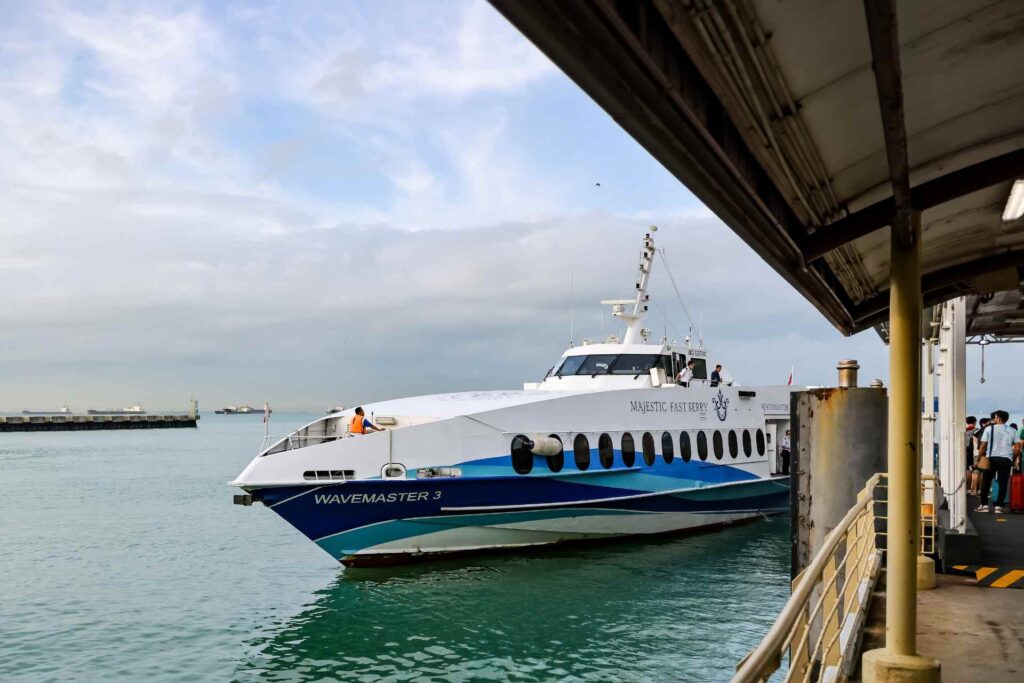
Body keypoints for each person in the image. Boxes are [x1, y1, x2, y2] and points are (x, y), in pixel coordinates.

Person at [976, 410, 1015, 512]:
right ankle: (998, 506)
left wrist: (980, 457)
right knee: (1003, 483)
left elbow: (983, 445)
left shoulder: (989, 429)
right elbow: (1018, 447)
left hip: (991, 458)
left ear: (997, 418)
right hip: (1006, 459)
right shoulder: (1012, 430)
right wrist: (1013, 458)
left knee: (986, 481)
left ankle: (984, 505)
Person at [965, 416, 979, 495]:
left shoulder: (964, 430)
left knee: (967, 470)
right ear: (974, 422)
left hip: (966, 452)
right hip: (974, 453)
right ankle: (974, 488)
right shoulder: (976, 430)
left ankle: (968, 488)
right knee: (974, 471)